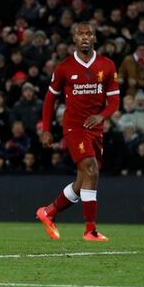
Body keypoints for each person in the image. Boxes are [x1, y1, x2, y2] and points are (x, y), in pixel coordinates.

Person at [36, 22, 121, 241]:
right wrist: (46, 129)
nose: (84, 37)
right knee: (91, 170)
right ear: (74, 39)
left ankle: (48, 212)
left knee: (84, 179)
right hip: (74, 128)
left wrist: (102, 116)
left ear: (94, 38)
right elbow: (49, 99)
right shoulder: (64, 67)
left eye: (88, 33)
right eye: (80, 34)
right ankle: (90, 230)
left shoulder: (107, 65)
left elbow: (114, 101)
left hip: (96, 129)